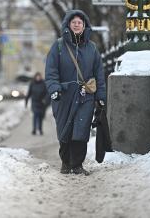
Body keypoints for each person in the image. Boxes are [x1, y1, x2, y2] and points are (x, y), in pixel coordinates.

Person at [45, 9, 106, 175]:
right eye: (74, 22)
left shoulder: (92, 48)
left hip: (85, 95)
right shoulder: (58, 46)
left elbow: (99, 74)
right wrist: (54, 89)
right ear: (68, 25)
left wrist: (100, 96)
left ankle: (77, 164)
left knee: (81, 129)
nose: (77, 25)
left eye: (80, 22)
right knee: (65, 129)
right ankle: (66, 162)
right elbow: (51, 72)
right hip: (64, 96)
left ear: (84, 25)